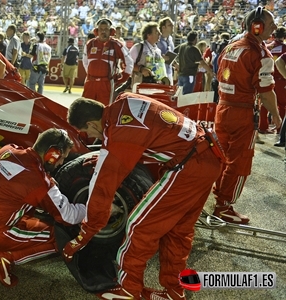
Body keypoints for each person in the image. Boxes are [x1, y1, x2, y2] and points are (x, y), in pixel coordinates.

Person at [64, 93, 223, 300]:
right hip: (209, 157)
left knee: (138, 227)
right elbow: (147, 137)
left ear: (91, 123)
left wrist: (84, 233)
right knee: (178, 231)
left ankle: (129, 290)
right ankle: (175, 291)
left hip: (189, 167)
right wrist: (104, 156)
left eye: (86, 131)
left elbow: (102, 188)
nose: (92, 137)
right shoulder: (126, 100)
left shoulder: (119, 132)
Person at [0, 128, 86, 288]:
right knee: (61, 236)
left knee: (29, 214)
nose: (61, 163)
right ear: (52, 155)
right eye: (62, 158)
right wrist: (94, 208)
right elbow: (67, 216)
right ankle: (7, 257)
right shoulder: (38, 181)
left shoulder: (6, 150)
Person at [213, 7, 281, 224]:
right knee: (239, 162)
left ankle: (214, 198)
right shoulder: (259, 53)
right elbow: (266, 91)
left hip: (222, 110)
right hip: (241, 113)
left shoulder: (230, 46)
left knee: (219, 157)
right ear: (257, 26)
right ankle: (224, 207)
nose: (273, 28)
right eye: (270, 25)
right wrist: (277, 118)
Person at [82, 18, 133, 106]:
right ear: (96, 31)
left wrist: (122, 78)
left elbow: (129, 63)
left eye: (106, 29)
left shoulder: (117, 44)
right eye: (101, 29)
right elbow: (85, 62)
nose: (103, 32)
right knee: (85, 109)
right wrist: (93, 75)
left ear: (111, 31)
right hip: (90, 83)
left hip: (106, 84)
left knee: (104, 110)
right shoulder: (90, 44)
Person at [259, 26, 286, 135]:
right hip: (281, 79)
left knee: (265, 103)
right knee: (282, 105)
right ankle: (281, 130)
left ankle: (263, 127)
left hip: (267, 78)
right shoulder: (285, 48)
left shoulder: (267, 47)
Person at [158, 17, 176, 85]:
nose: (172, 26)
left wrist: (176, 64)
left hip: (169, 70)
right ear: (163, 28)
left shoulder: (170, 39)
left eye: (172, 24)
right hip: (160, 73)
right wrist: (161, 57)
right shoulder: (157, 40)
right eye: (169, 25)